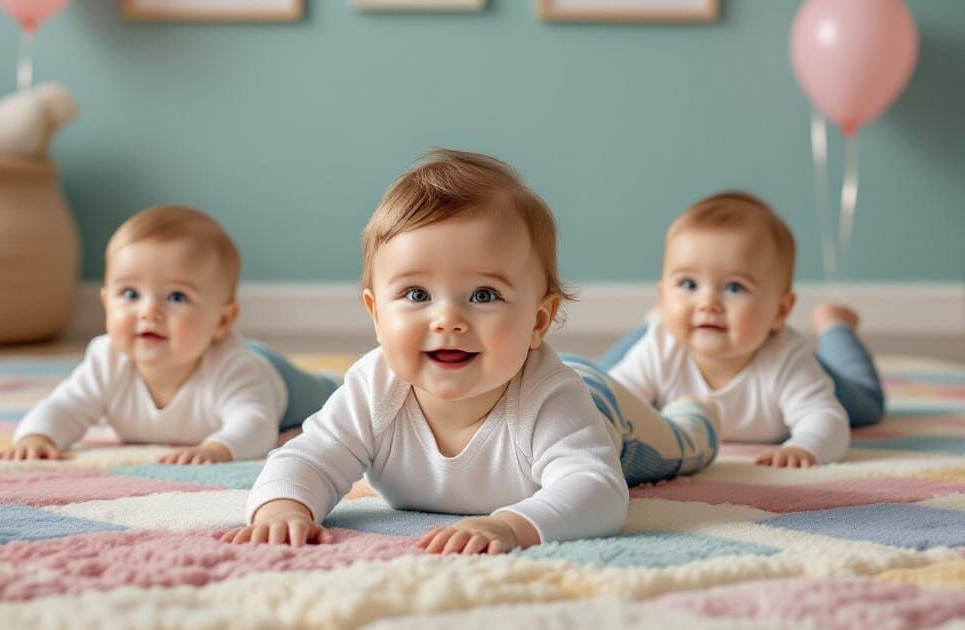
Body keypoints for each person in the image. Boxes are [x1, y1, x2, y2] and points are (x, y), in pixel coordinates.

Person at [221, 150, 719, 554]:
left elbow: (598, 492)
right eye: (417, 295)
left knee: (685, 444)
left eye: (483, 296)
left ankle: (696, 409)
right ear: (375, 313)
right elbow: (309, 456)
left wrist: (511, 526)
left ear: (538, 321)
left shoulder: (550, 397)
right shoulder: (375, 387)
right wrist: (283, 507)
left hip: (603, 408)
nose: (447, 320)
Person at [0, 206, 336, 464]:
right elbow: (65, 406)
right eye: (130, 294)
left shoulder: (236, 367)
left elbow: (257, 425)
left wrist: (218, 448)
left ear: (222, 320)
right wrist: (37, 435)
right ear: (105, 302)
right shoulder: (107, 360)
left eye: (176, 297)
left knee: (331, 397)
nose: (149, 312)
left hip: (276, 377)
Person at [599, 192, 885, 469]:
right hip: (666, 329)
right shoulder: (661, 348)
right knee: (602, 377)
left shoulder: (787, 359)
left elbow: (826, 418)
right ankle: (655, 317)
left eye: (734, 287)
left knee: (866, 406)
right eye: (688, 285)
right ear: (663, 294)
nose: (707, 303)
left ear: (780, 311)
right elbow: (615, 403)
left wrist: (805, 446)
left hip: (804, 363)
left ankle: (835, 325)